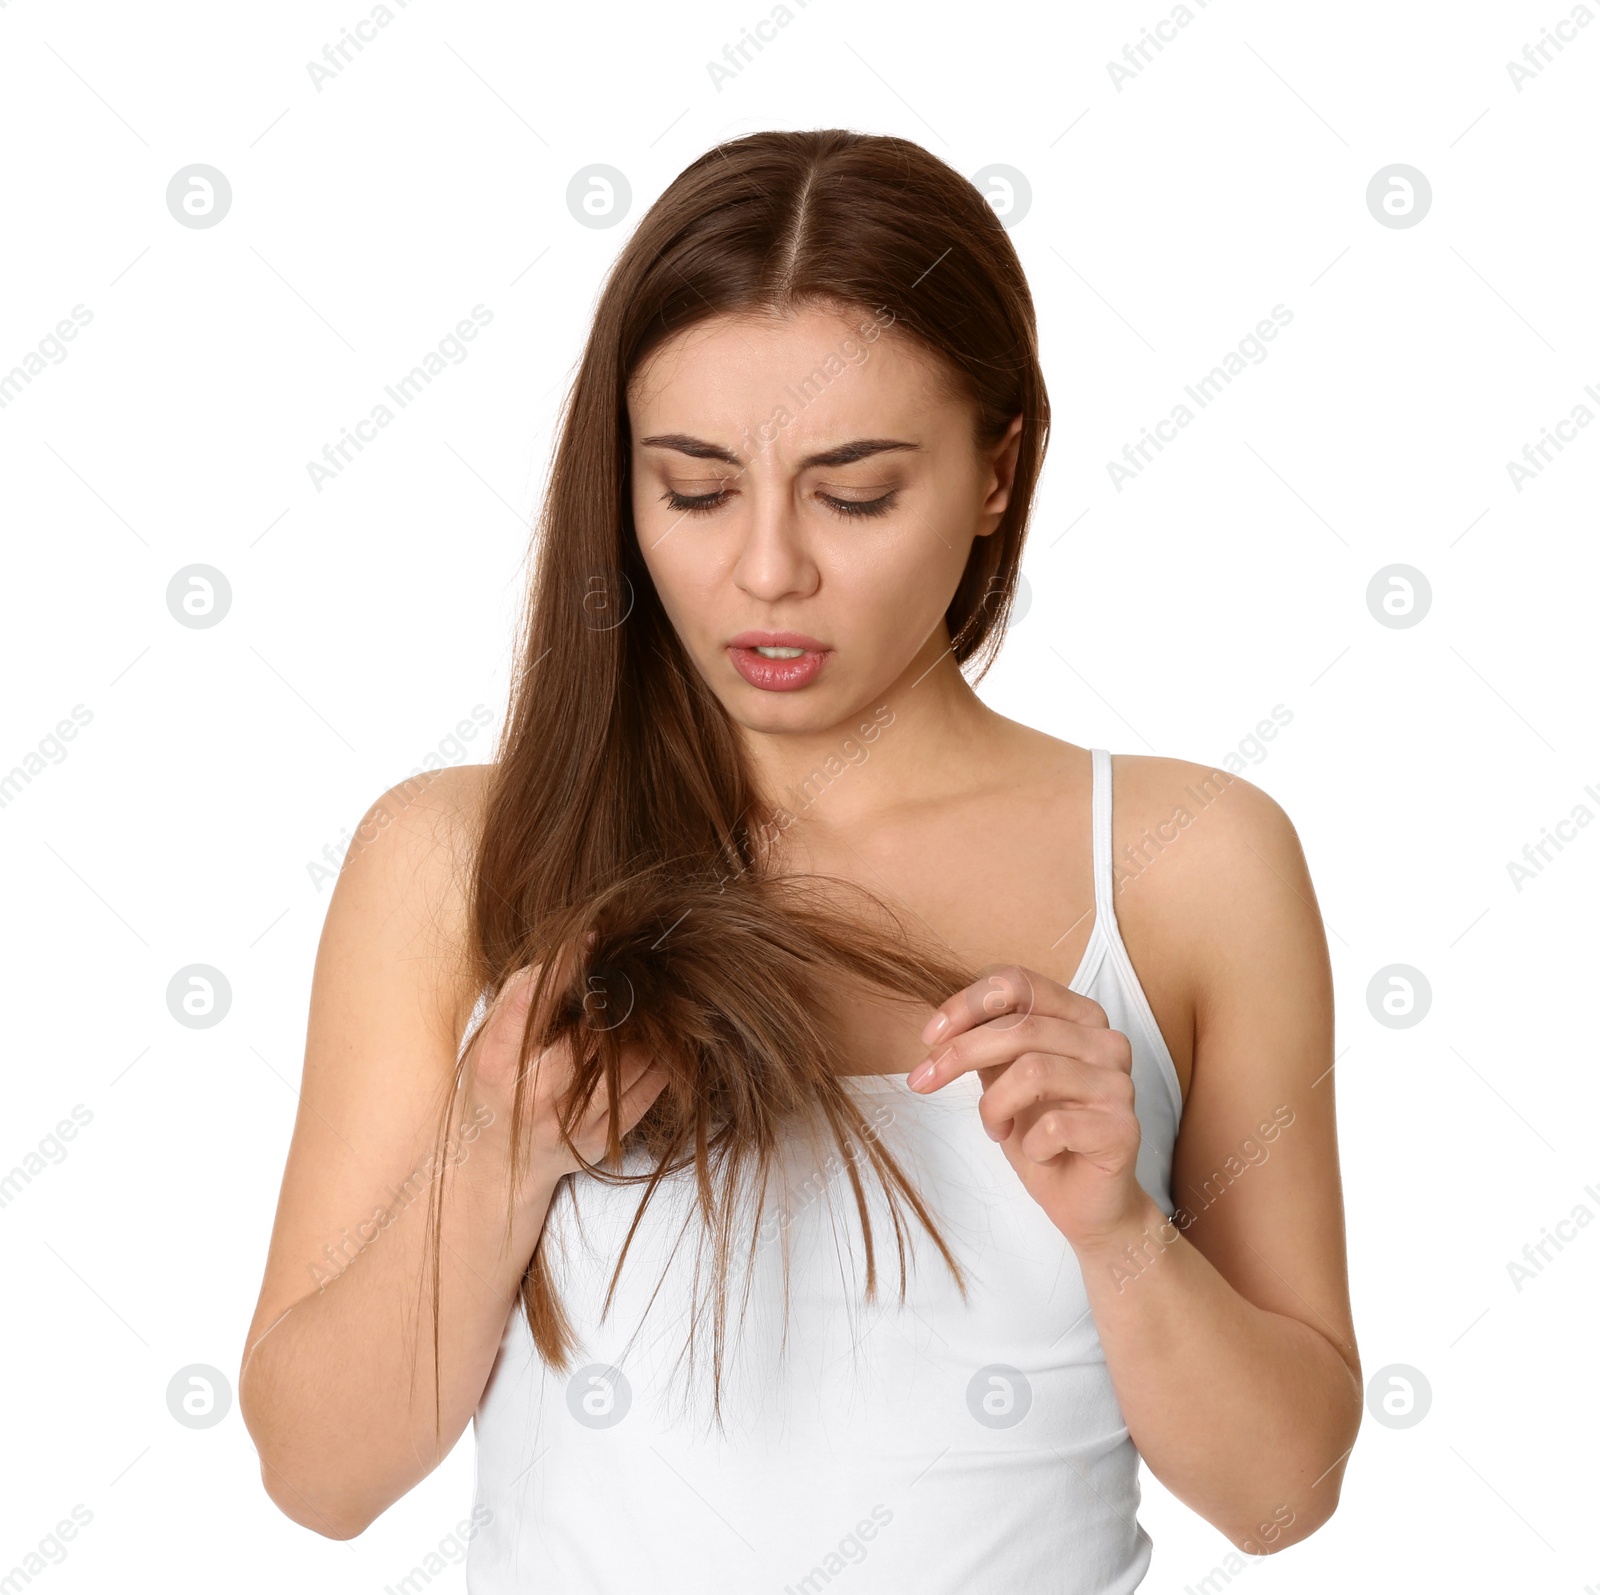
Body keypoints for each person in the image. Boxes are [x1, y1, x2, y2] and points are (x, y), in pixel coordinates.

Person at [239, 128, 1360, 1592]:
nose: (767, 570)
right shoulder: (457, 860)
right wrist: (499, 1149)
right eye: (695, 490)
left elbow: (1283, 1497)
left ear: (998, 473)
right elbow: (319, 1479)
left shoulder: (1187, 863)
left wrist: (1120, 1231)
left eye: (856, 491)